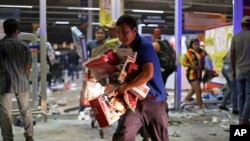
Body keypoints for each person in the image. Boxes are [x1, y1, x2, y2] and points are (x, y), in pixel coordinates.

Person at [113, 15, 169, 141]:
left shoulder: (145, 46)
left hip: (154, 101)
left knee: (160, 138)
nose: (121, 36)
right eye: (119, 33)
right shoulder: (122, 49)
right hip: (134, 103)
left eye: (125, 32)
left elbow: (148, 73)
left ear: (134, 31)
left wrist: (126, 87)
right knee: (122, 136)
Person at [0, 18, 34, 141]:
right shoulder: (24, 45)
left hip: (5, 83)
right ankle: (29, 136)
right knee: (25, 111)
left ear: (5, 30)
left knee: (5, 113)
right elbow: (28, 66)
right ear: (17, 31)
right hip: (22, 81)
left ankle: (8, 138)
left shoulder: (1, 45)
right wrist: (25, 78)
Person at [230, 16, 250, 125]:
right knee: (249, 95)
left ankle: (242, 120)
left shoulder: (235, 37)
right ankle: (244, 119)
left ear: (242, 25)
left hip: (239, 71)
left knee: (241, 95)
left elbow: (232, 55)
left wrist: (233, 70)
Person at [182, 38, 206, 116]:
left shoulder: (202, 52)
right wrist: (192, 66)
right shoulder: (188, 53)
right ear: (192, 45)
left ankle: (183, 102)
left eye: (198, 44)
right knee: (198, 90)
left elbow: (205, 62)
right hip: (191, 74)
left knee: (193, 90)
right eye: (195, 44)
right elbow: (183, 63)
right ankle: (201, 108)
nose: (197, 46)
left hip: (199, 74)